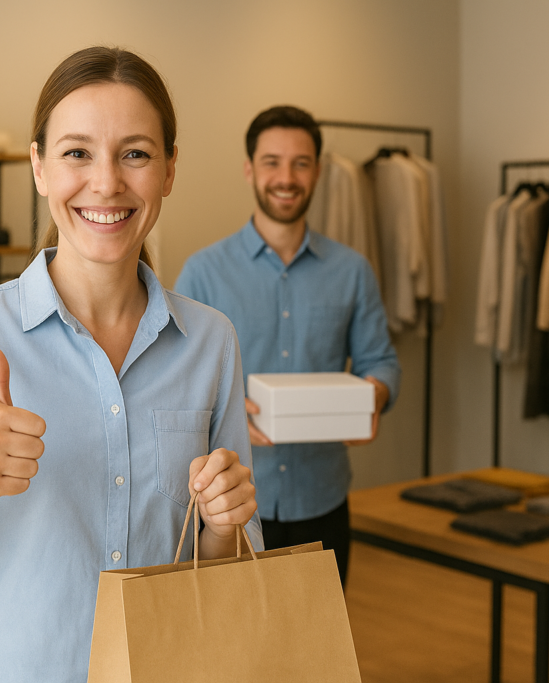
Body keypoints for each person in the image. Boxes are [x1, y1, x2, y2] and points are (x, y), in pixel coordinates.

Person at [0, 47, 261, 682]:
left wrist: (222, 524)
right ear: (39, 167)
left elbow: (230, 572)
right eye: (77, 152)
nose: (106, 182)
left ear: (169, 170)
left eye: (135, 154)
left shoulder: (212, 342)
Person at [175, 105, 400, 587]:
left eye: (301, 163)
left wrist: (373, 396)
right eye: (272, 162)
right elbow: (176, 381)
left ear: (317, 172)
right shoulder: (203, 272)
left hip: (323, 497)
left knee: (322, 634)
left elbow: (380, 361)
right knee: (234, 633)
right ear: (249, 170)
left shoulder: (352, 271)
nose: (286, 178)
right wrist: (230, 409)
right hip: (229, 507)